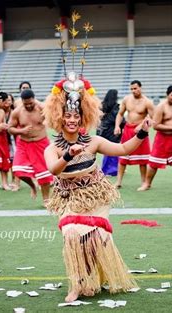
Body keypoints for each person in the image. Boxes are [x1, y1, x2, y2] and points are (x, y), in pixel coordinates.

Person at [44, 72, 146, 303]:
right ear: (60, 118)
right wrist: (68, 155)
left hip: (95, 197)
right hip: (69, 198)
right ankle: (76, 284)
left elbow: (124, 150)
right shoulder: (53, 148)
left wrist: (142, 132)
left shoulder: (93, 142)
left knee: (94, 238)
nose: (71, 120)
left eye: (76, 116)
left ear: (82, 119)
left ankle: (88, 277)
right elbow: (53, 170)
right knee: (71, 235)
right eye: (67, 116)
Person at [138, 85, 172, 191]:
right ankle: (147, 184)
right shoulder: (161, 107)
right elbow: (156, 126)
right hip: (162, 138)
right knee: (154, 162)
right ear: (167, 95)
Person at [9, 89, 53, 204]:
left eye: (30, 102)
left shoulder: (42, 109)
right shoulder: (17, 112)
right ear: (21, 101)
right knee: (17, 169)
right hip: (23, 144)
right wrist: (21, 130)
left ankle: (46, 199)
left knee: (44, 175)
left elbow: (53, 113)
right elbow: (9, 128)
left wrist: (38, 104)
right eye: (25, 103)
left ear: (34, 99)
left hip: (41, 143)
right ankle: (33, 186)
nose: (28, 105)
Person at [114, 80, 154, 188]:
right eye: (131, 89)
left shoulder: (147, 102)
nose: (133, 91)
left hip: (141, 131)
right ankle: (118, 182)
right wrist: (117, 126)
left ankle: (143, 182)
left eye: (135, 88)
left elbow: (152, 117)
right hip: (128, 129)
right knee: (123, 157)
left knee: (142, 159)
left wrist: (141, 125)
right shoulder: (126, 99)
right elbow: (120, 114)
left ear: (141, 88)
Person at [96, 89, 123, 176]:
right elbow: (120, 119)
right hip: (112, 130)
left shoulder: (102, 105)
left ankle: (106, 168)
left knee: (106, 151)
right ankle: (112, 170)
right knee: (114, 150)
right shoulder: (116, 107)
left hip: (102, 130)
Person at [3, 94, 20, 191]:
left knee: (14, 160)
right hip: (3, 139)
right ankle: (6, 181)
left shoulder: (14, 112)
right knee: (6, 160)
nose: (7, 102)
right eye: (5, 100)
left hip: (13, 139)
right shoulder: (0, 112)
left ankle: (15, 181)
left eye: (9, 100)